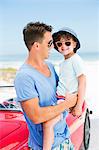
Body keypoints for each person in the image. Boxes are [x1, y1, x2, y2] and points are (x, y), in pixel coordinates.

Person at [14, 22, 77, 150]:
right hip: (46, 146)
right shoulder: (24, 77)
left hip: (65, 139)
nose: (53, 46)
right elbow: (36, 116)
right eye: (49, 43)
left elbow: (62, 93)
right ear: (37, 46)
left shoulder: (50, 65)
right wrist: (67, 104)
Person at [42, 27, 86, 150]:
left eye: (67, 43)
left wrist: (78, 105)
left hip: (65, 99)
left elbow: (82, 81)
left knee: (48, 124)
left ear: (75, 44)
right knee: (48, 122)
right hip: (59, 98)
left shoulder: (75, 59)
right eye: (59, 44)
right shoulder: (64, 62)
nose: (63, 46)